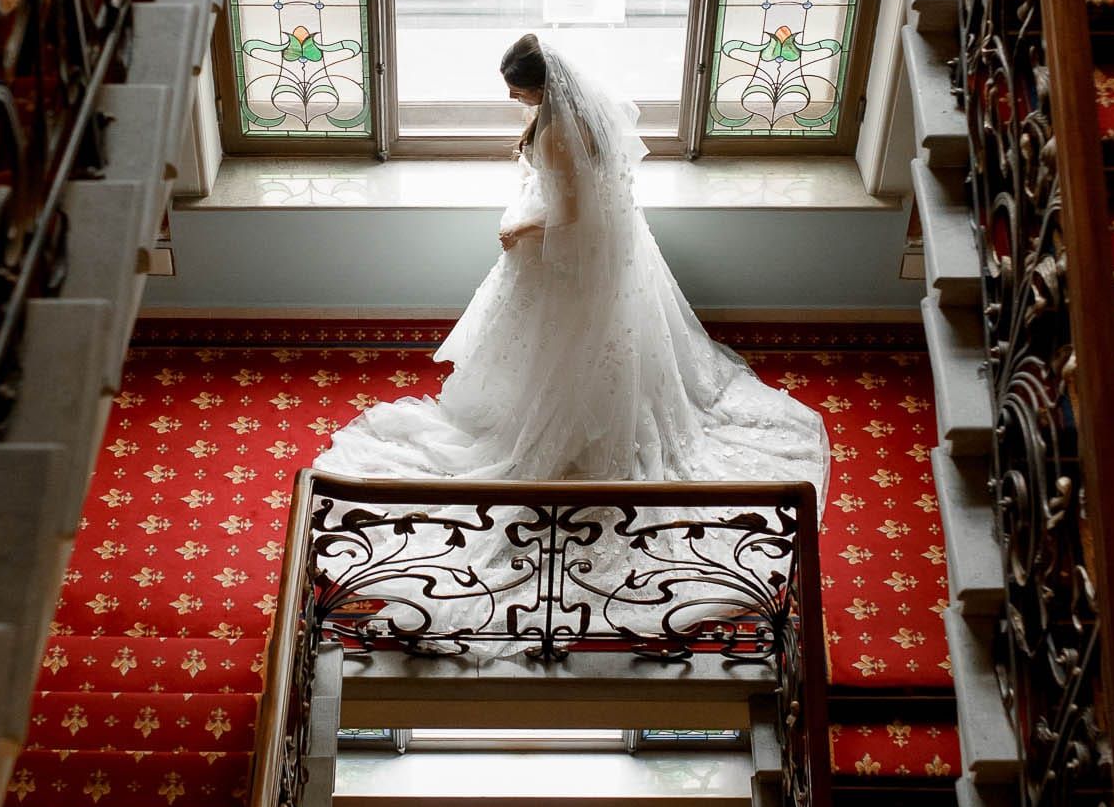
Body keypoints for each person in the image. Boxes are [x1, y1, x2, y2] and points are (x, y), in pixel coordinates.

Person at [316, 33, 830, 498]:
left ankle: (561, 430)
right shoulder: (563, 116)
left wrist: (520, 230)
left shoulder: (561, 134)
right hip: (598, 244)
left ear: (544, 86)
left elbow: (572, 216)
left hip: (569, 248)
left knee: (565, 339)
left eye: (517, 89)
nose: (510, 97)